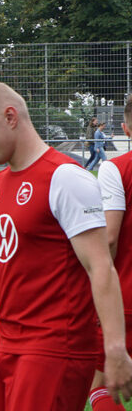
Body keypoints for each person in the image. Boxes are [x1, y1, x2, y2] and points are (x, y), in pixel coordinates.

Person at [0, 82, 132, 409]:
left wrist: (115, 349)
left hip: (55, 350)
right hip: (8, 346)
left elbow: (100, 267)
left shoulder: (66, 178)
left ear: (10, 117)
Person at [93, 96, 132, 410]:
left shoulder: (116, 169)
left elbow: (109, 238)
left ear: (125, 129)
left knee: (101, 386)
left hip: (125, 299)